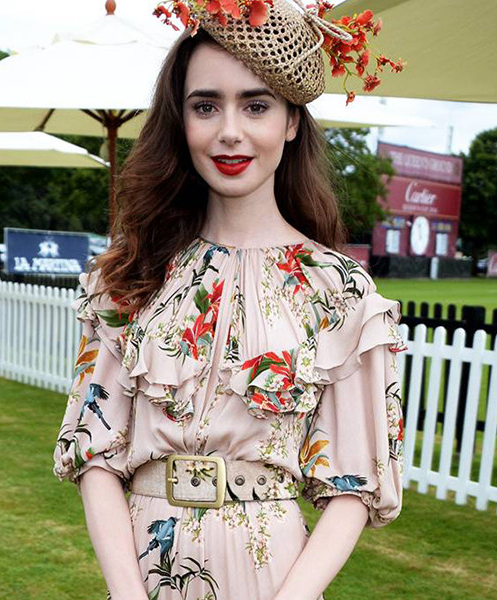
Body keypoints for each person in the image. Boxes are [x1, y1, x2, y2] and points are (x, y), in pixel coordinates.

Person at [52, 3, 408, 600]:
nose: (230, 131)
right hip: (144, 576)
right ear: (181, 120)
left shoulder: (339, 291)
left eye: (256, 105)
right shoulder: (130, 275)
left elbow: (353, 486)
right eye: (206, 106)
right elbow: (94, 454)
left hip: (275, 579)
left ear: (291, 122)